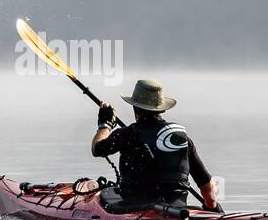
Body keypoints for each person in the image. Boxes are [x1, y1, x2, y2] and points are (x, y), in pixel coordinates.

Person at [91, 79, 220, 211]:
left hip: (134, 209)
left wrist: (104, 125)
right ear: (161, 109)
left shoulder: (127, 134)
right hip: (177, 210)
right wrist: (212, 209)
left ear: (135, 107)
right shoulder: (181, 138)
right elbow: (208, 188)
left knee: (106, 195)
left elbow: (97, 149)